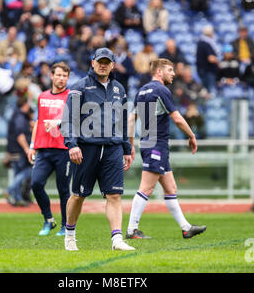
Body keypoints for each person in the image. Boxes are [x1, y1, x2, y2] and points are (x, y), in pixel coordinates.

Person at [60, 48, 135, 251]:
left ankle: (117, 239)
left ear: (112, 65)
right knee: (78, 194)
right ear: (93, 62)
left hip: (113, 149)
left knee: (114, 195)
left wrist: (127, 148)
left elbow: (122, 121)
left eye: (107, 62)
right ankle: (69, 235)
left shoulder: (119, 89)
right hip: (86, 149)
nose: (103, 65)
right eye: (99, 61)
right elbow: (68, 120)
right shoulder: (79, 88)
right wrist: (72, 145)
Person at [126, 58, 206, 240]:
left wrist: (130, 143)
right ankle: (131, 230)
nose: (173, 73)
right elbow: (177, 119)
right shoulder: (162, 90)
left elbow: (131, 120)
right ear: (159, 72)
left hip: (148, 142)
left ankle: (186, 228)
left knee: (170, 188)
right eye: (170, 70)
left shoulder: (141, 91)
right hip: (156, 144)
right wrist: (191, 135)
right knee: (146, 188)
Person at [28, 62, 73, 236]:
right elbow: (39, 122)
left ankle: (65, 225)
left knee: (63, 190)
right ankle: (48, 220)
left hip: (63, 149)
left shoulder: (71, 97)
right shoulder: (42, 97)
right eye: (59, 75)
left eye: (65, 76)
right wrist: (32, 145)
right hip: (43, 149)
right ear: (51, 76)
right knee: (36, 184)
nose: (62, 79)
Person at [4, 96, 33, 207]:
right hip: (18, 150)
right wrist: (27, 149)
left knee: (17, 174)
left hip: (13, 150)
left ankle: (18, 199)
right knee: (28, 171)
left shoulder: (17, 116)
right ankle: (10, 190)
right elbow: (20, 136)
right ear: (25, 105)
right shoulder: (20, 118)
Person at [196, 25, 219, 94]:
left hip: (202, 70)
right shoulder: (207, 43)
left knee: (206, 90)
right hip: (208, 71)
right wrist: (218, 62)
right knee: (209, 91)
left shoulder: (201, 42)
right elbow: (211, 58)